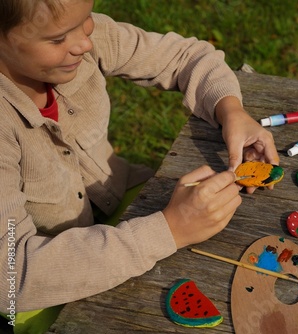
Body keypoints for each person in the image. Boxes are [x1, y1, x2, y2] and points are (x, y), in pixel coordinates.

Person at [0, 0, 279, 332]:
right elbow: (11, 276)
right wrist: (170, 230)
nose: (84, 43)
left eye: (85, 19)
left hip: (121, 199)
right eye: (58, 39)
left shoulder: (87, 37)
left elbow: (187, 57)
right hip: (46, 276)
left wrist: (230, 110)